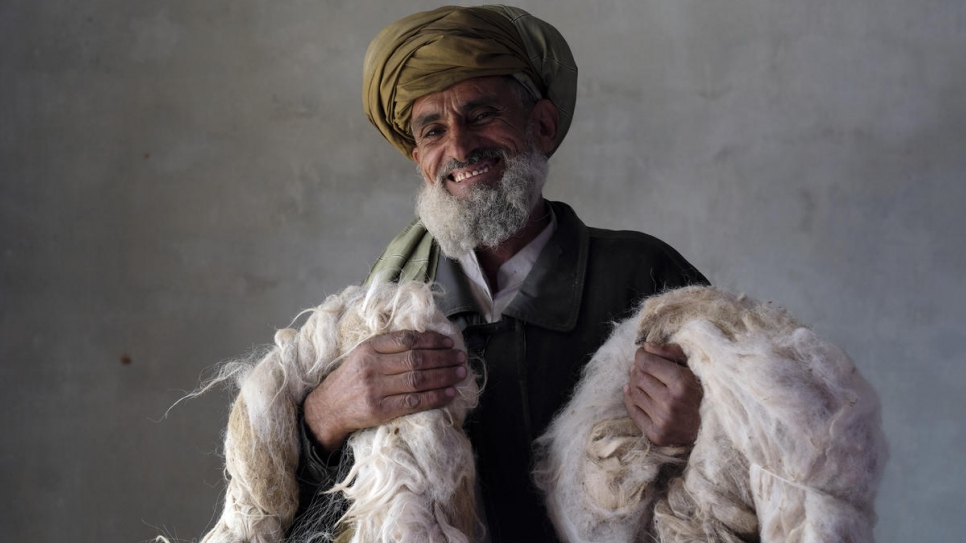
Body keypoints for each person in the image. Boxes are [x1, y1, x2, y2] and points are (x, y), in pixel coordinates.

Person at [290, 6, 707, 542]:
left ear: (542, 124)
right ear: (420, 159)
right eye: (434, 130)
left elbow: (779, 456)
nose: (460, 148)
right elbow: (291, 505)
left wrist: (705, 425)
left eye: (482, 115)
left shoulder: (645, 276)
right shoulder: (379, 305)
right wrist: (323, 419)